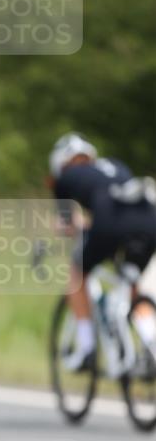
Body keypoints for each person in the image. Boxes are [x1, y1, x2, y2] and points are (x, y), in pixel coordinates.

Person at [48, 132, 156, 370]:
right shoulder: (115, 166)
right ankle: (151, 344)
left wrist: (67, 229)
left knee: (77, 273)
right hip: (149, 219)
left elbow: (67, 225)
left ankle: (86, 349)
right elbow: (120, 203)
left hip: (110, 224)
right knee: (133, 284)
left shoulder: (66, 178)